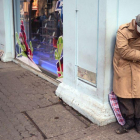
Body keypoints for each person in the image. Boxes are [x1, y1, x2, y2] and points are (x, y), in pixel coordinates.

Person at [113, 14, 140, 134]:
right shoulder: (123, 31)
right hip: (123, 65)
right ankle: (129, 120)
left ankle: (138, 119)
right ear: (136, 24)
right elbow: (124, 51)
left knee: (139, 94)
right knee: (124, 94)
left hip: (138, 64)